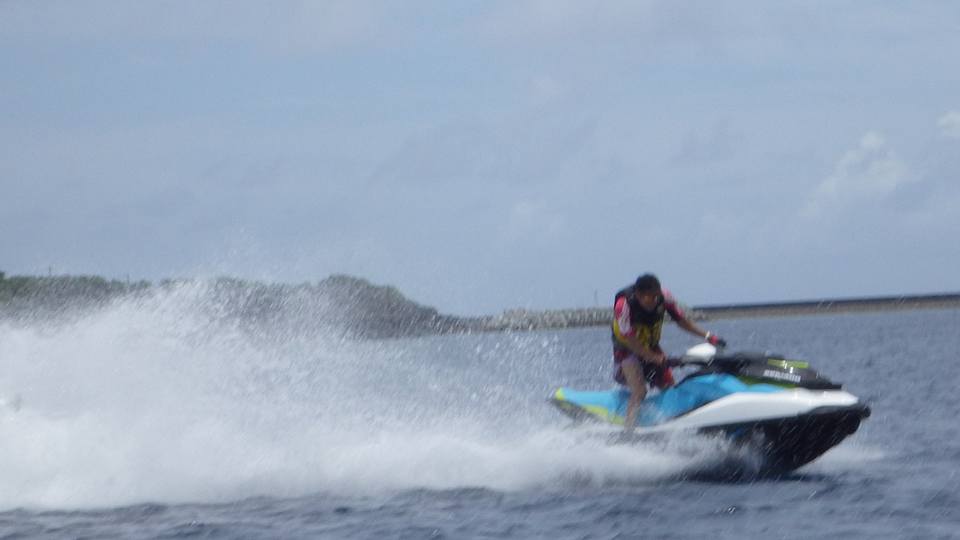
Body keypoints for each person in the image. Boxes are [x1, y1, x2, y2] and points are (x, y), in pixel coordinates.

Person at [612, 273, 726, 432]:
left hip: (650, 346)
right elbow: (629, 339)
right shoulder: (623, 305)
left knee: (670, 387)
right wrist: (652, 357)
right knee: (640, 391)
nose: (653, 302)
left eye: (656, 297)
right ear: (638, 295)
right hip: (626, 349)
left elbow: (681, 321)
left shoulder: (665, 297)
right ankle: (628, 431)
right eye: (649, 298)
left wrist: (708, 336)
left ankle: (674, 423)